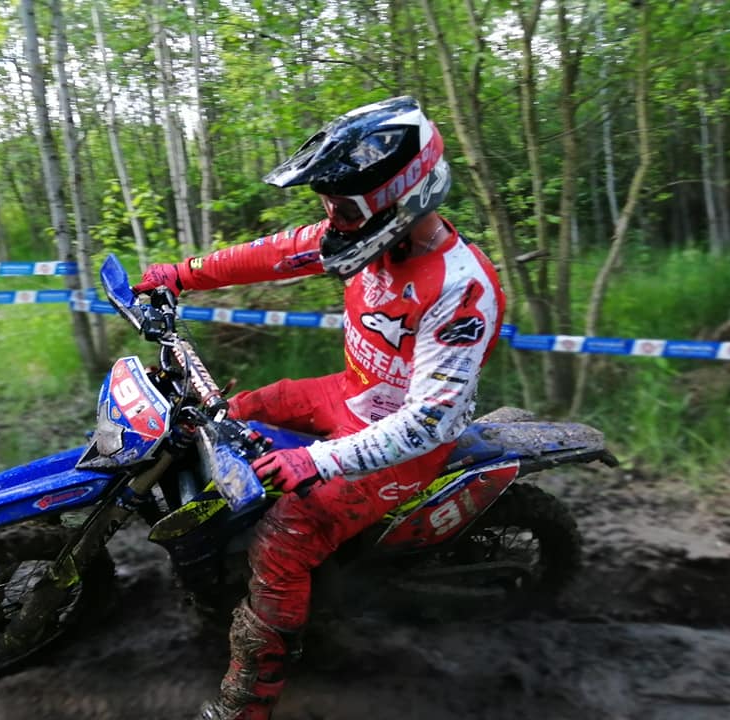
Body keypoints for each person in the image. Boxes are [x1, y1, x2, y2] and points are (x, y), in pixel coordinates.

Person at [133, 96, 505, 720]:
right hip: (353, 391)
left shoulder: (461, 288)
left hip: (405, 440)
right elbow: (273, 253)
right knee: (235, 412)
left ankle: (250, 701)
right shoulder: (361, 240)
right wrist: (181, 274)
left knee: (286, 539)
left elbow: (429, 420)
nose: (332, 217)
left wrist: (318, 461)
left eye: (344, 206)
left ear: (401, 199)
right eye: (329, 204)